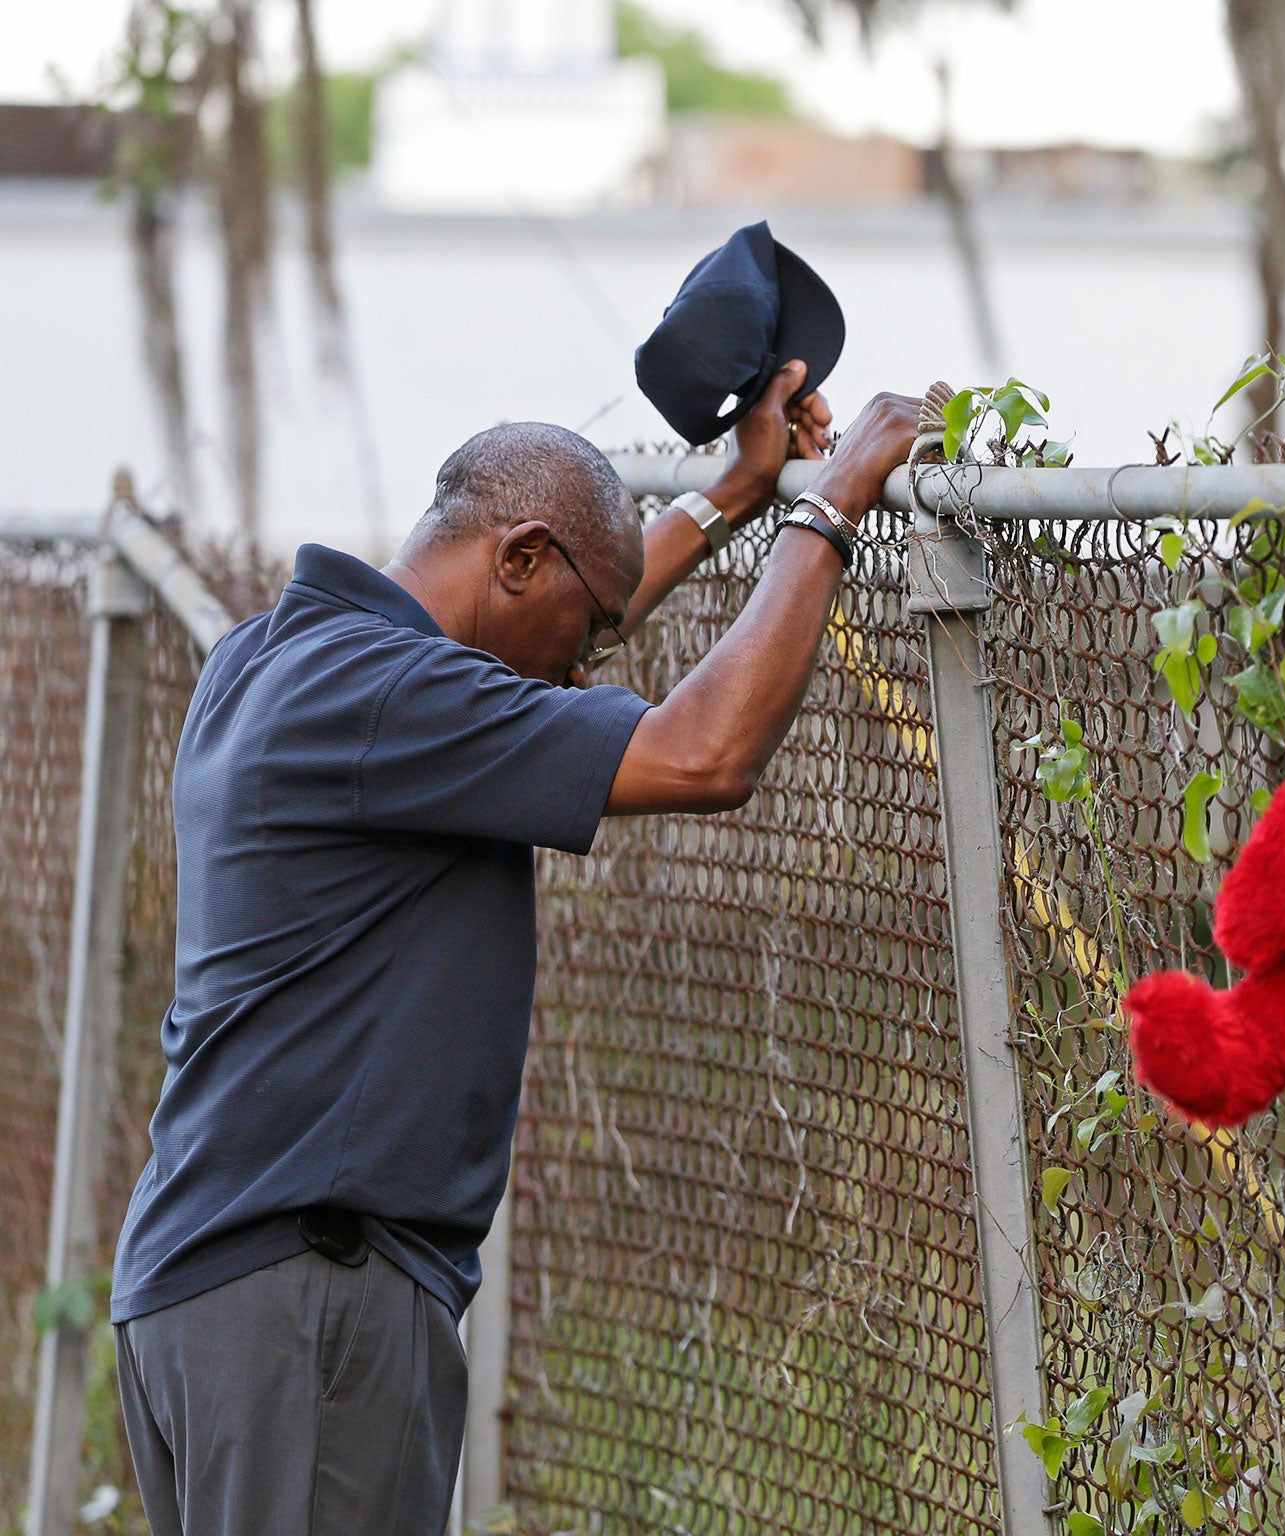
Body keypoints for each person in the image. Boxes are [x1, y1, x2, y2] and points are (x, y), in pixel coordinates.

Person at [109, 359, 921, 1535]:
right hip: (307, 1308)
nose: (591, 666)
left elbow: (530, 660)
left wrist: (731, 497)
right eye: (586, 631)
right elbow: (705, 755)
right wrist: (830, 503)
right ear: (519, 558)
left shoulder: (273, 659)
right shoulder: (389, 702)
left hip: (209, 1292)